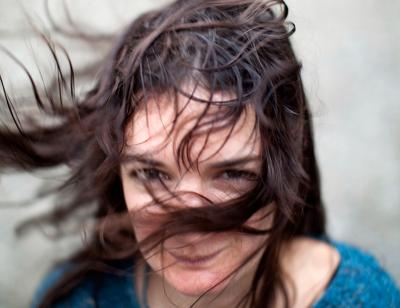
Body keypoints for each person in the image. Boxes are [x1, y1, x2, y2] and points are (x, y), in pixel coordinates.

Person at [0, 0, 399, 307]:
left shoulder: (364, 297)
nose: (190, 224)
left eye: (231, 174)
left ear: (284, 164)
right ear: (117, 175)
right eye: (152, 174)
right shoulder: (78, 298)